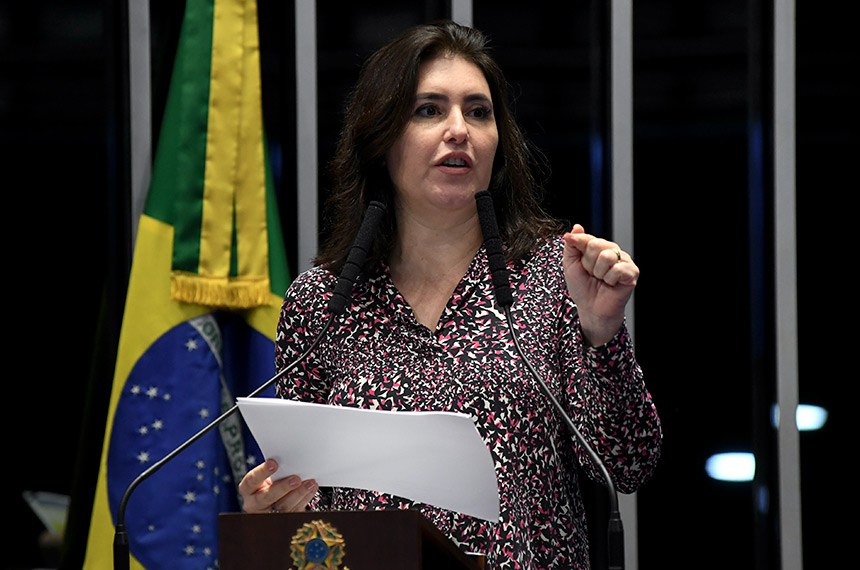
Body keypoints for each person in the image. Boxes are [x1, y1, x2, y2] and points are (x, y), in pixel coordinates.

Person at [238, 19, 662, 569]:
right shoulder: (322, 302)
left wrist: (601, 335)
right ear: (383, 139)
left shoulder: (557, 276)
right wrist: (273, 515)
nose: (458, 129)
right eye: (429, 110)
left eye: (478, 111)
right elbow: (308, 510)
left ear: (497, 144)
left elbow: (628, 464)